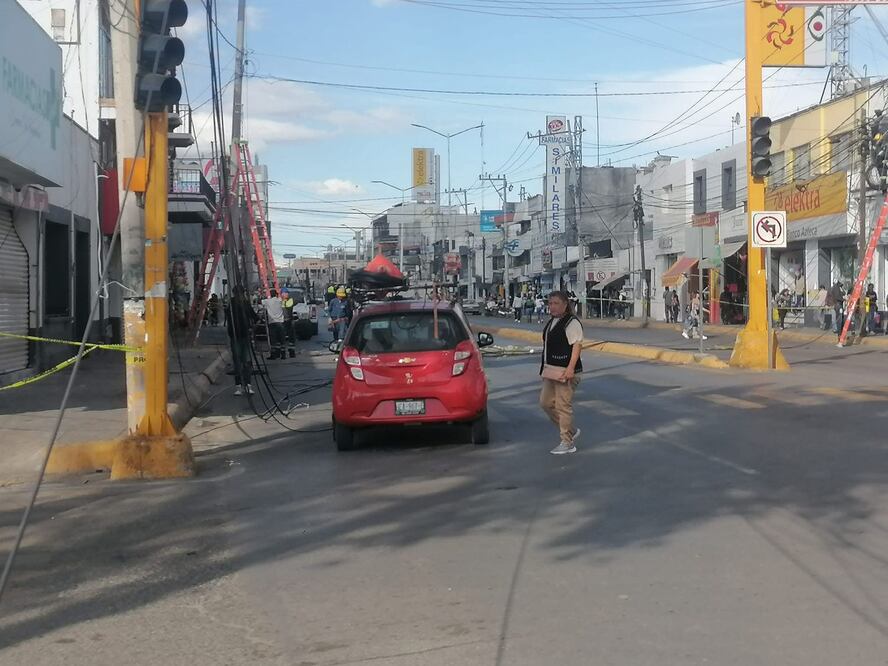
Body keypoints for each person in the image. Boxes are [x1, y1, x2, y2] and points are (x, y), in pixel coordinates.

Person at [539, 291, 583, 455]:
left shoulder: (571, 322)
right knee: (545, 403)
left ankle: (567, 442)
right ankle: (570, 430)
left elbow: (577, 345)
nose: (552, 306)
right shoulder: (552, 322)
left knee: (562, 406)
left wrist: (570, 368)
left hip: (566, 371)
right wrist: (544, 369)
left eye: (556, 303)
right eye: (550, 303)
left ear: (565, 305)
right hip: (551, 370)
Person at [225, 286, 257, 396]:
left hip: (243, 336)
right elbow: (253, 316)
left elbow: (253, 316)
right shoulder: (233, 305)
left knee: (244, 362)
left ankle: (246, 386)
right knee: (240, 362)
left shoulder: (243, 304)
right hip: (237, 336)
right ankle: (241, 386)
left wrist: (253, 324)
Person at [262, 289, 286, 360]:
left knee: (273, 340)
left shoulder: (267, 301)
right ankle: (283, 355)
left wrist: (262, 294)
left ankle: (274, 355)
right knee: (281, 339)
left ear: (270, 295)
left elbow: (260, 302)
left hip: (272, 322)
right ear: (276, 294)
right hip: (280, 322)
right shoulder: (280, 300)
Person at [280, 289, 296, 358]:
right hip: (282, 321)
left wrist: (283, 301)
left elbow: (288, 306)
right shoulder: (280, 301)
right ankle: (282, 354)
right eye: (285, 293)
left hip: (289, 320)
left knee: (291, 337)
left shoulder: (290, 300)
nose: (287, 294)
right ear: (282, 294)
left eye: (287, 293)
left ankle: (291, 352)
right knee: (282, 337)